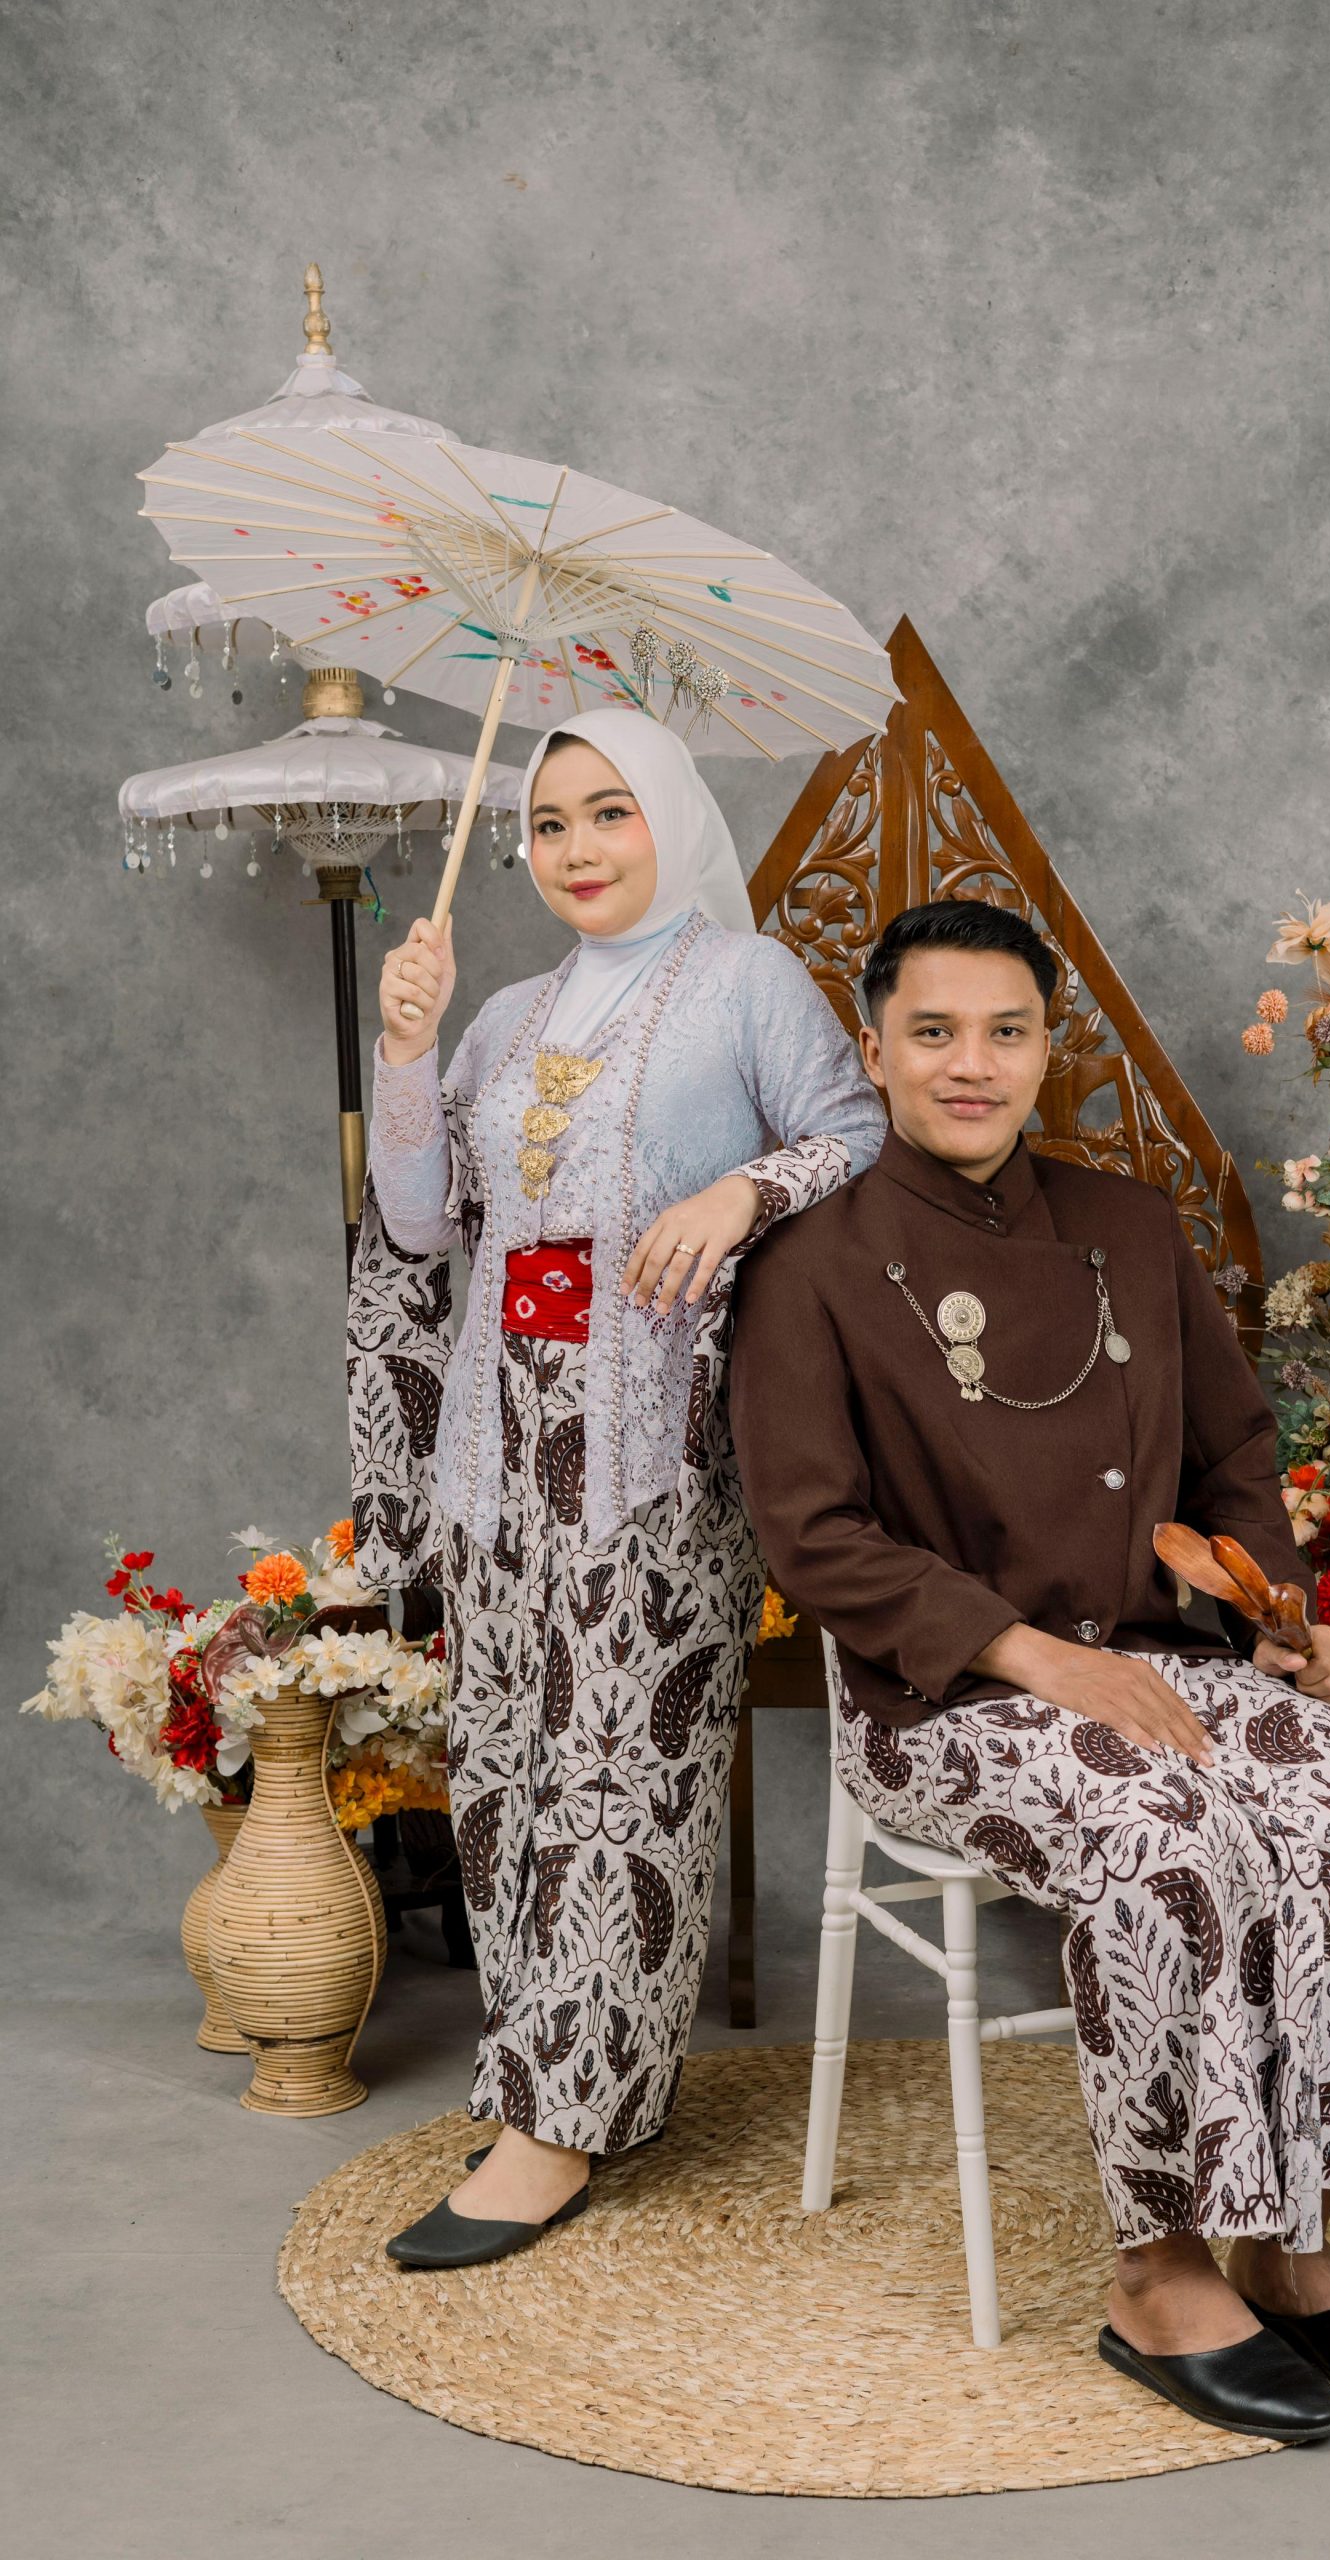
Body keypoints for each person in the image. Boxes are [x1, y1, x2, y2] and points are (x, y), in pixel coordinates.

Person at [729, 898, 1330, 2444]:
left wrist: (1275, 1611)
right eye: (934, 1032)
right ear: (874, 1050)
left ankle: (1291, 2235)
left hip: (1166, 1656)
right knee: (1169, 1842)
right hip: (948, 1697)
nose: (972, 1065)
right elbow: (811, 1537)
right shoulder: (809, 1265)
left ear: (1046, 1048)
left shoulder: (1129, 1226)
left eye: (1006, 1032)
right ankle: (1162, 2267)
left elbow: (1235, 1452)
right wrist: (1036, 1659)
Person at [347, 707, 885, 2271]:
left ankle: (561, 2128)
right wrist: (406, 1051)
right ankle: (542, 2072)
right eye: (548, 822)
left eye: (609, 811)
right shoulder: (506, 1015)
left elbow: (855, 1135)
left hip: (657, 1445)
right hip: (497, 1446)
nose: (576, 848)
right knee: (503, 1772)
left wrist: (738, 1192)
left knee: (620, 1778)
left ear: (669, 815)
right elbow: (426, 1221)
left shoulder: (745, 981)